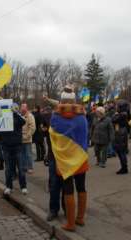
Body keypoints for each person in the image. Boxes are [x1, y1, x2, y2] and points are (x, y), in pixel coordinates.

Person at [49, 89, 89, 232]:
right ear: (74, 101)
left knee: (68, 189)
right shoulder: (82, 117)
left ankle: (70, 224)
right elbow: (85, 135)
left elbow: (52, 133)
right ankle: (80, 218)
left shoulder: (55, 117)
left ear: (61, 101)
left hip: (64, 159)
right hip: (80, 157)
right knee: (81, 187)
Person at [0, 103, 26, 195]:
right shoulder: (2, 118)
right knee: (8, 169)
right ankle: (9, 187)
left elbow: (23, 122)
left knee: (21, 167)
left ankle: (23, 186)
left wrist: (15, 113)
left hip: (17, 146)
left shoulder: (17, 118)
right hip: (6, 146)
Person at [112, 108, 129, 174]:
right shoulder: (123, 114)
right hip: (121, 133)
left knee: (121, 151)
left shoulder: (122, 115)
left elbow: (113, 120)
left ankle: (124, 168)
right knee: (121, 151)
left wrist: (115, 115)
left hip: (121, 133)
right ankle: (124, 167)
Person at [21, 103, 36, 174]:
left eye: (23, 107)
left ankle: (30, 168)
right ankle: (24, 167)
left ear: (26, 108)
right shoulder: (20, 116)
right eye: (21, 107)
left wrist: (27, 136)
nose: (22, 109)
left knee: (28, 154)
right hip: (21, 139)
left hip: (27, 139)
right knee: (22, 154)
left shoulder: (30, 116)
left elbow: (32, 128)